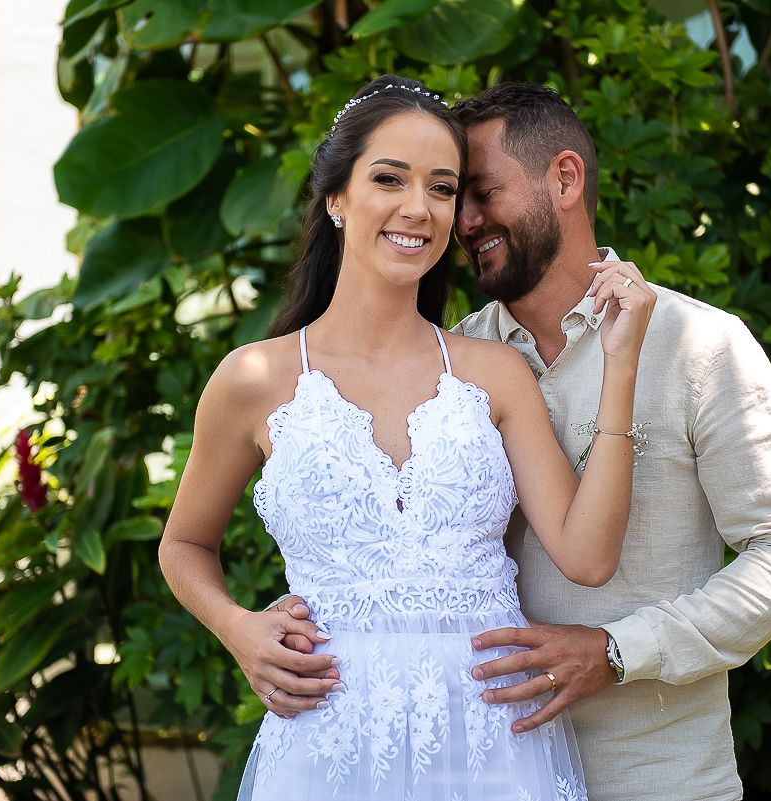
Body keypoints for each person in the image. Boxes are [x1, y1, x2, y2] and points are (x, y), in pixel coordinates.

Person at [268, 82, 771, 800]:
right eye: (455, 196)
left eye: (477, 191)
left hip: (656, 775)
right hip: (481, 771)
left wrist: (619, 650)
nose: (462, 220)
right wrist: (272, 623)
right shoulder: (453, 362)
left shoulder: (700, 346)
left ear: (564, 178)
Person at [158, 74, 656, 800]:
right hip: (326, 745)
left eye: (443, 188)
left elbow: (588, 555)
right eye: (389, 178)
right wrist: (237, 629)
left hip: (493, 744)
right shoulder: (253, 379)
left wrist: (622, 363)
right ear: (335, 196)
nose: (418, 209)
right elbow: (183, 544)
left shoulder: (495, 373)